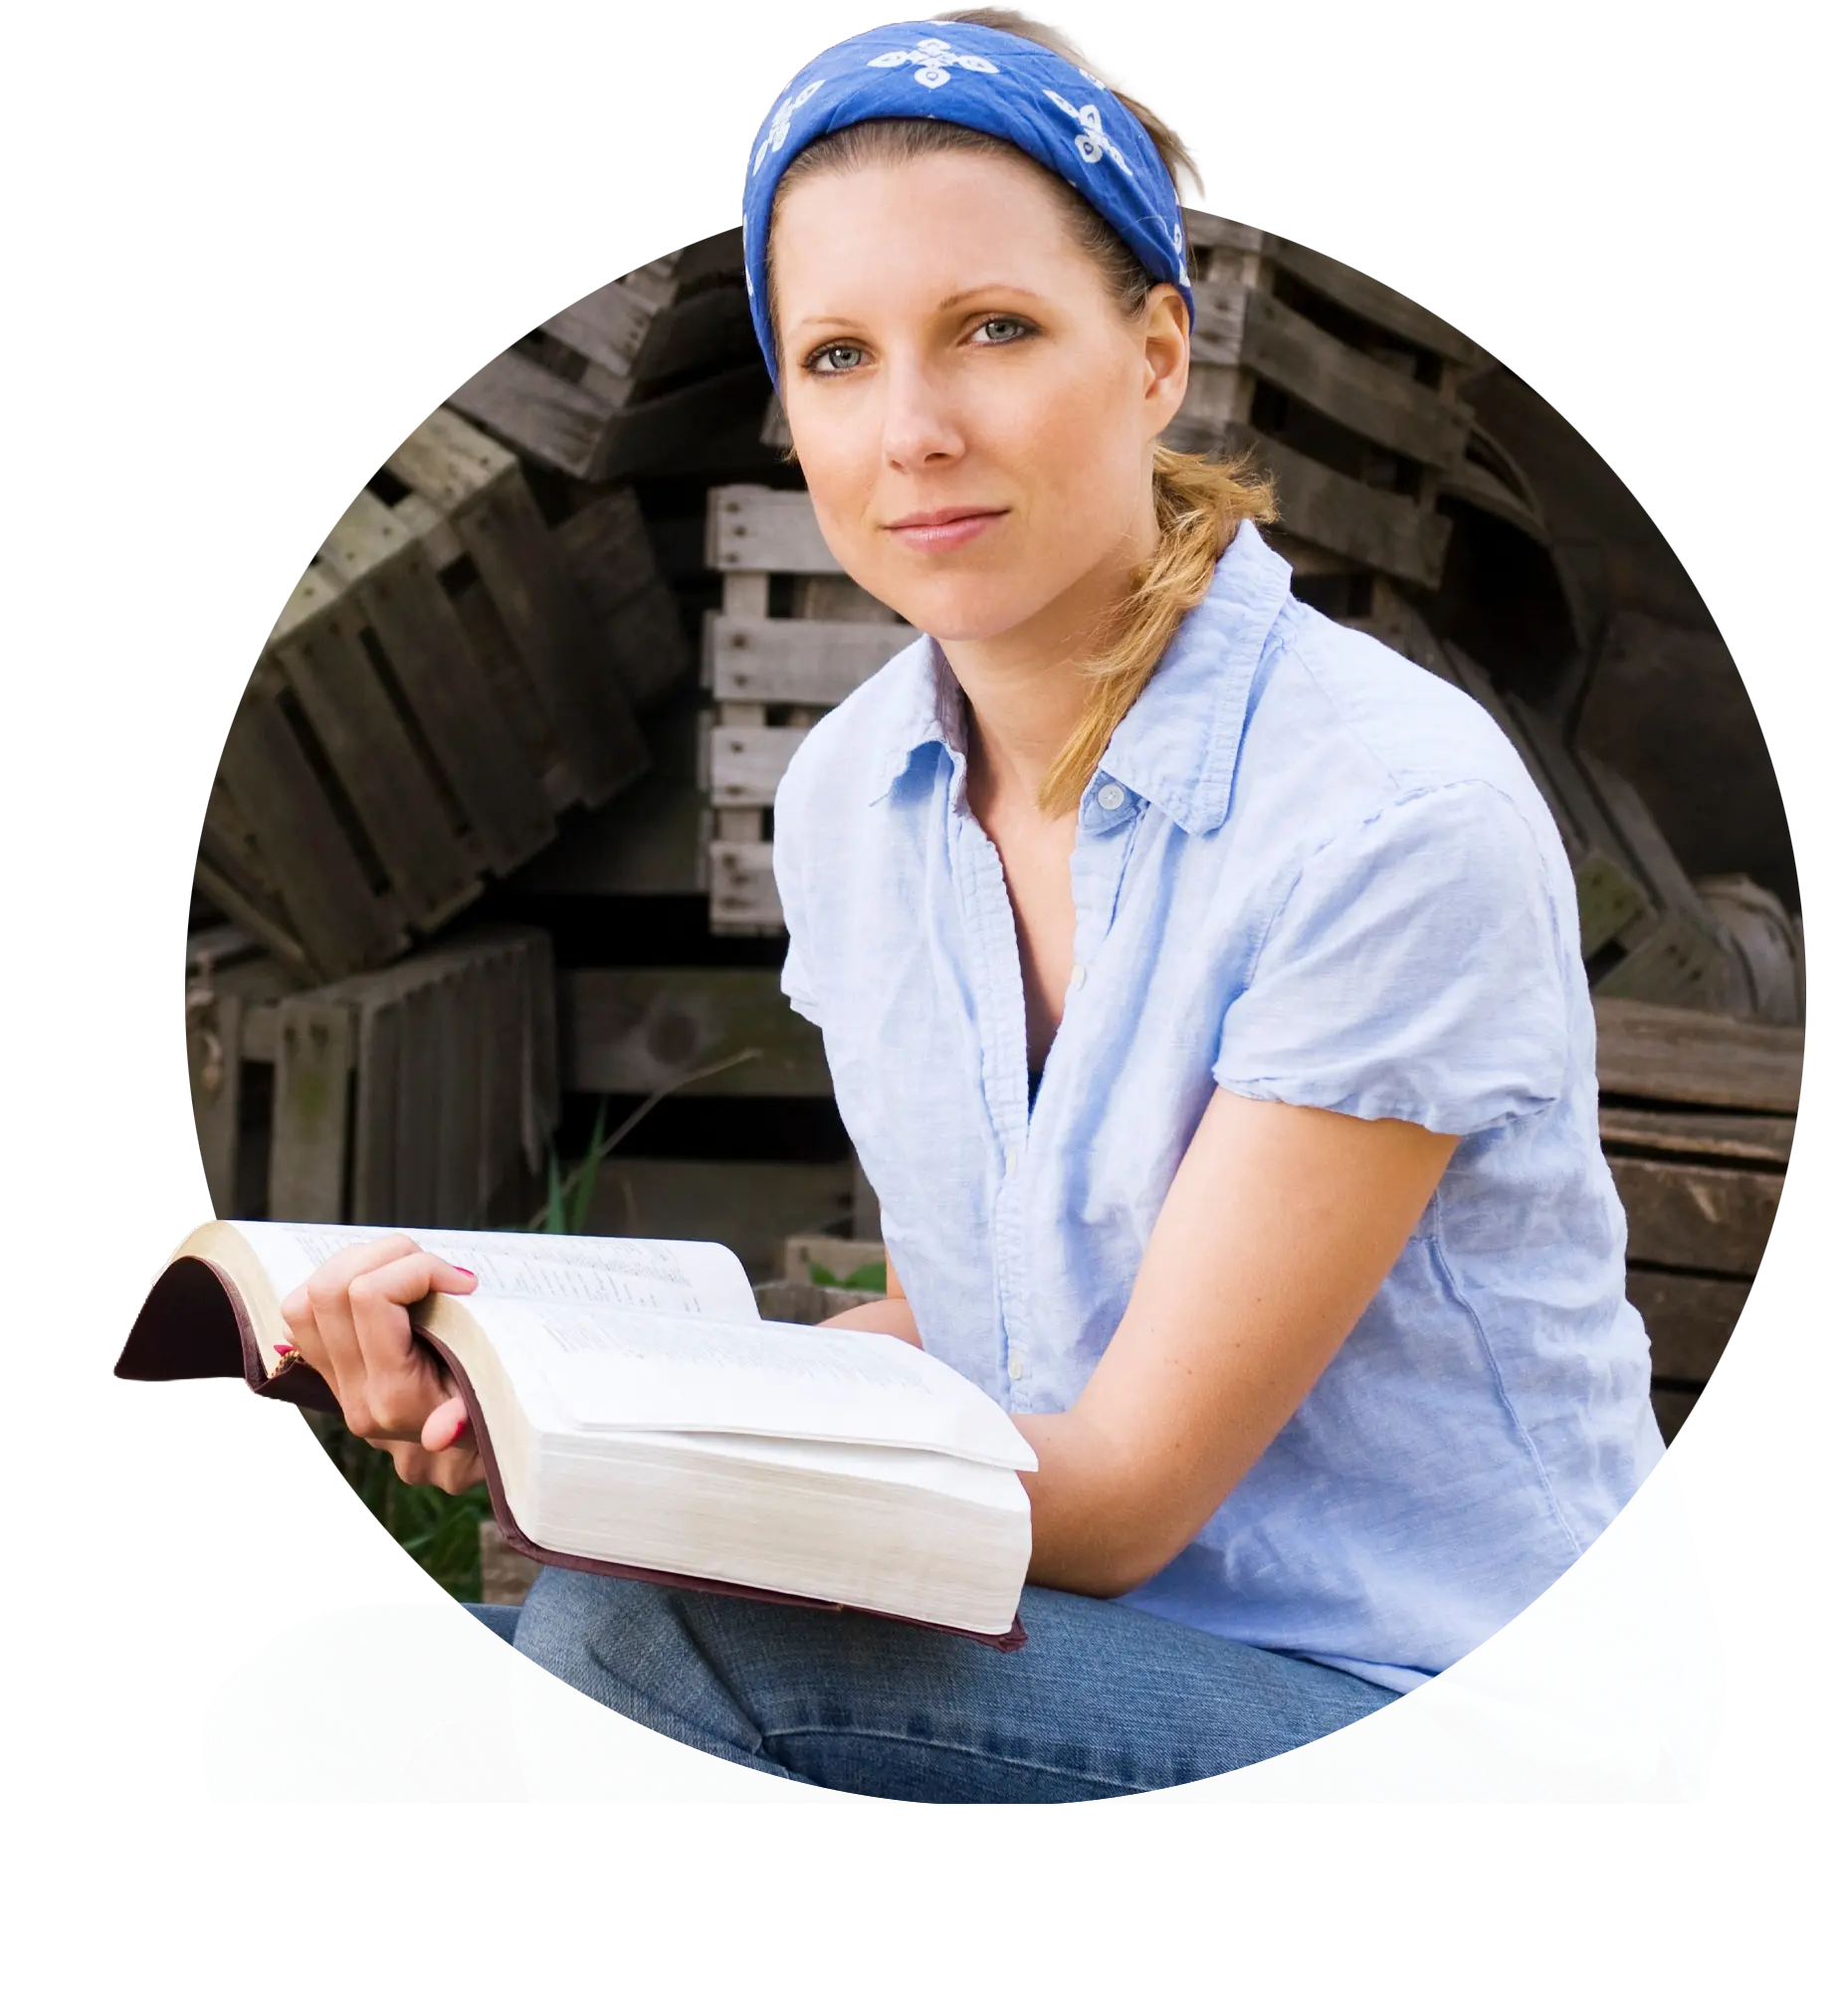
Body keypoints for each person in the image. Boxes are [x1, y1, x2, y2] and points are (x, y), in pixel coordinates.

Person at [201, 6, 1726, 1806]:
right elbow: (987, 1314)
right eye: (838, 357)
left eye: (992, 330)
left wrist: (646, 1486)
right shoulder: (858, 795)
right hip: (1076, 1668)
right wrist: (539, 1400)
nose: (912, 429)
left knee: (650, 1652)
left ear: (1157, 353)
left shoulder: (1388, 815)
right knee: (323, 1701)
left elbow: (1123, 1497)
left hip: (1454, 1722)